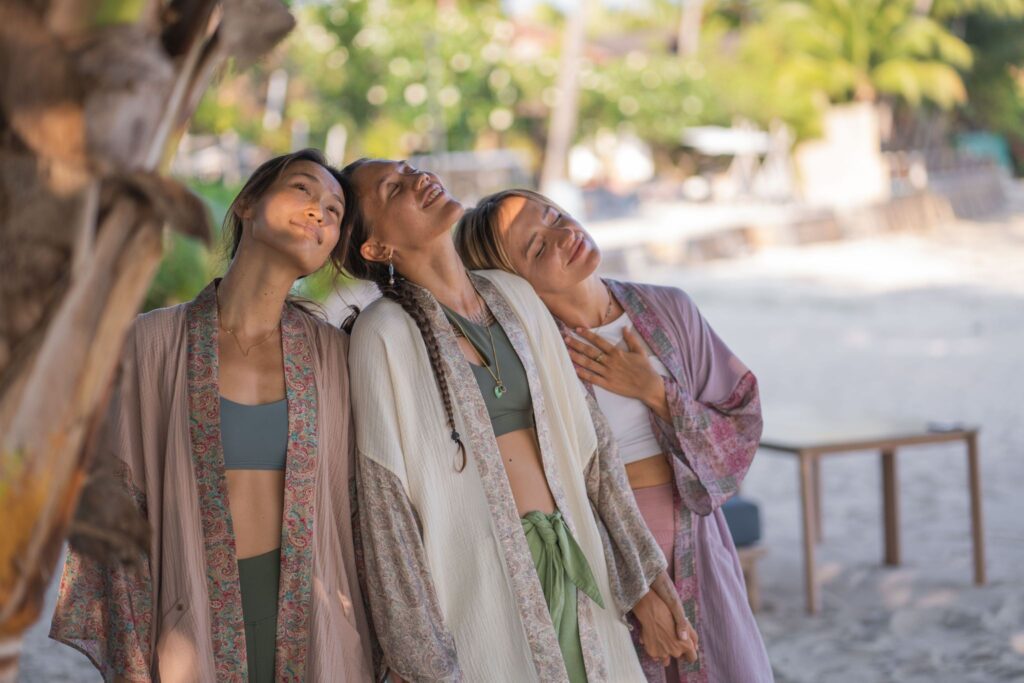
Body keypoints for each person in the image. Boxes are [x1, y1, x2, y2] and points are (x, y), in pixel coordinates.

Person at [338, 159, 697, 683]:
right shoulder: (382, 335)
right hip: (482, 591)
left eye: (412, 169)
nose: (420, 179)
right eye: (394, 188)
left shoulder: (516, 297)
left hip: (580, 563)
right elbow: (385, 516)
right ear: (376, 249)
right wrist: (427, 667)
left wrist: (641, 577)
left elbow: (592, 447)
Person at [50, 150, 375, 682]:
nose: (318, 211)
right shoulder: (151, 343)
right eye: (302, 189)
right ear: (247, 202)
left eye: (334, 212)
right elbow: (110, 506)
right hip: (189, 623)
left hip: (316, 627)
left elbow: (374, 506)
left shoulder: (336, 359)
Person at [454, 188, 772, 683]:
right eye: (538, 248)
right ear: (512, 280)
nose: (565, 236)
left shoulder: (669, 310)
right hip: (602, 558)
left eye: (556, 215)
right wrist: (637, 587)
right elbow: (547, 488)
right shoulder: (527, 360)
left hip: (698, 541)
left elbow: (742, 415)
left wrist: (655, 391)